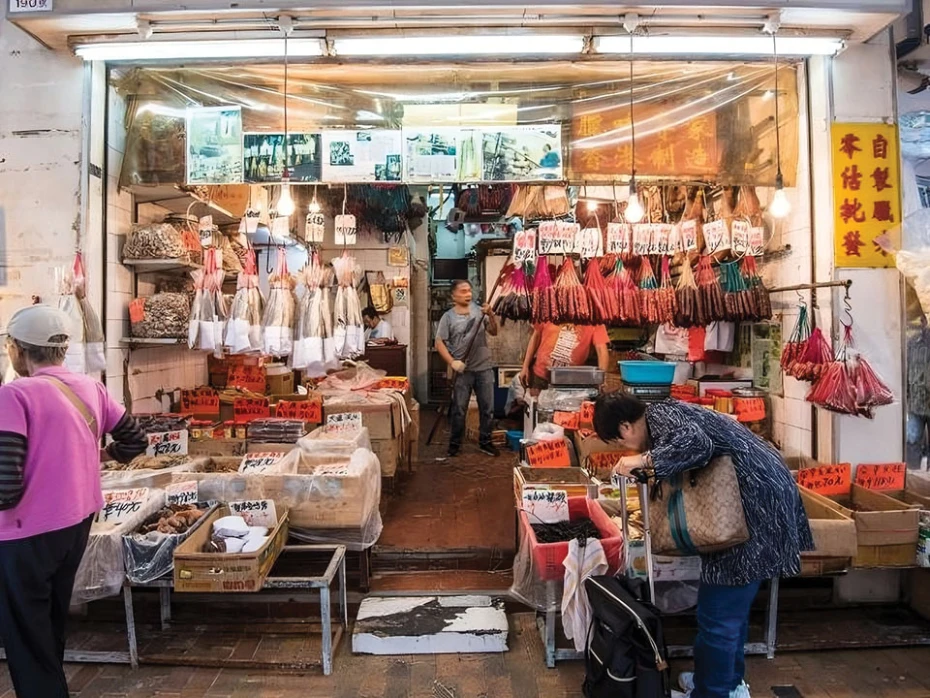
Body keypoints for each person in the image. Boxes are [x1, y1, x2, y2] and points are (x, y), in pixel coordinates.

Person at [592, 392, 813, 698]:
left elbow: (698, 445)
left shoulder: (660, 418)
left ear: (626, 427)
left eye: (618, 441)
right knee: (729, 611)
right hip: (751, 506)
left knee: (718, 614)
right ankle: (727, 684)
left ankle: (713, 691)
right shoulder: (666, 414)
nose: (623, 446)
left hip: (751, 511)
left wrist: (641, 460)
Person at [0, 305, 149, 698]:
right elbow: (136, 441)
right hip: (75, 525)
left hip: (25, 533)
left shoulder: (14, 395)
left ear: (17, 349)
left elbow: (5, 486)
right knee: (48, 620)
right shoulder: (90, 387)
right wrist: (99, 456)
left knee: (24, 633)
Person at [435, 279, 500, 458]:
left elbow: (494, 332)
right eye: (463, 291)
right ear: (453, 295)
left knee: (487, 408)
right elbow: (439, 342)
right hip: (462, 371)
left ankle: (485, 442)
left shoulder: (480, 312)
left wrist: (492, 315)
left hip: (484, 368)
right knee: (459, 409)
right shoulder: (448, 317)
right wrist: (452, 362)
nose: (468, 294)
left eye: (469, 291)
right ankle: (455, 444)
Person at [519, 322, 610, 392]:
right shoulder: (550, 307)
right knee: (539, 413)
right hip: (540, 377)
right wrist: (525, 366)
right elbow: (536, 336)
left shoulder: (593, 318)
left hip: (571, 382)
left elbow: (601, 350)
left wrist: (601, 378)